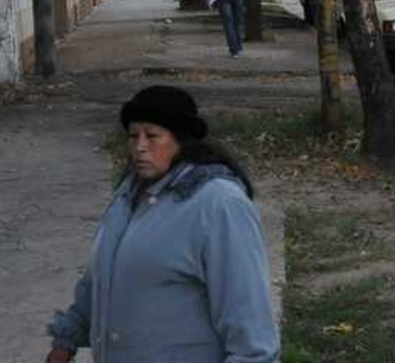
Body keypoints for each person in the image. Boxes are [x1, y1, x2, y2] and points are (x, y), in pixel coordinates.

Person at [47, 86, 278, 363]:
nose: (140, 147)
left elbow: (251, 333)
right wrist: (66, 340)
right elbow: (100, 280)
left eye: (152, 136)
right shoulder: (128, 195)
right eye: (133, 136)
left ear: (181, 139)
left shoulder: (218, 204)